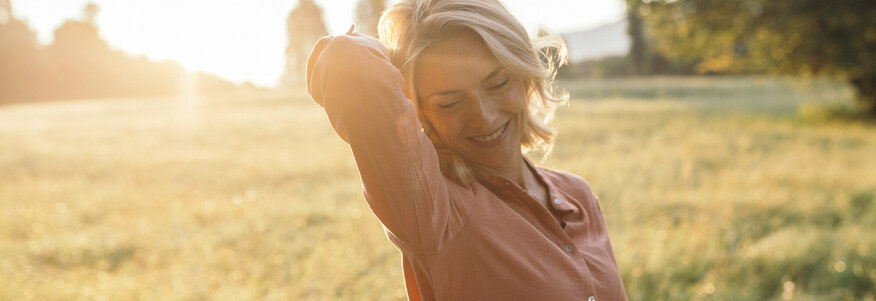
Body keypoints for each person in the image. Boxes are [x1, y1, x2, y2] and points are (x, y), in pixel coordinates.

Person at [306, 0, 626, 299]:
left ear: (524, 72)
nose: (483, 117)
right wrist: (400, 54)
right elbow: (345, 59)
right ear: (419, 112)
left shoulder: (577, 194)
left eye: (498, 83)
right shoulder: (434, 214)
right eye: (450, 103)